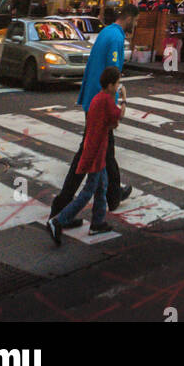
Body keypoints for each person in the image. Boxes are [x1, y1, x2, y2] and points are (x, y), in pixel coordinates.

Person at [49, 3, 137, 223]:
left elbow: (93, 68)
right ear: (129, 18)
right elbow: (112, 77)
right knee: (88, 154)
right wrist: (114, 109)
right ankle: (61, 209)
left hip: (92, 99)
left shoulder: (106, 32)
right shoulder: (116, 38)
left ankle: (112, 194)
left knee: (105, 151)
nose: (136, 25)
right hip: (100, 104)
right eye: (136, 20)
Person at [47, 66, 125, 243]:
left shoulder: (97, 98)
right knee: (88, 191)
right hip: (97, 152)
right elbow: (118, 117)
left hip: (96, 149)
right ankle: (58, 221)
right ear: (111, 85)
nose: (119, 86)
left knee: (102, 186)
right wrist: (125, 100)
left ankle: (97, 223)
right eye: (118, 83)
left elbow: (109, 123)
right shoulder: (106, 100)